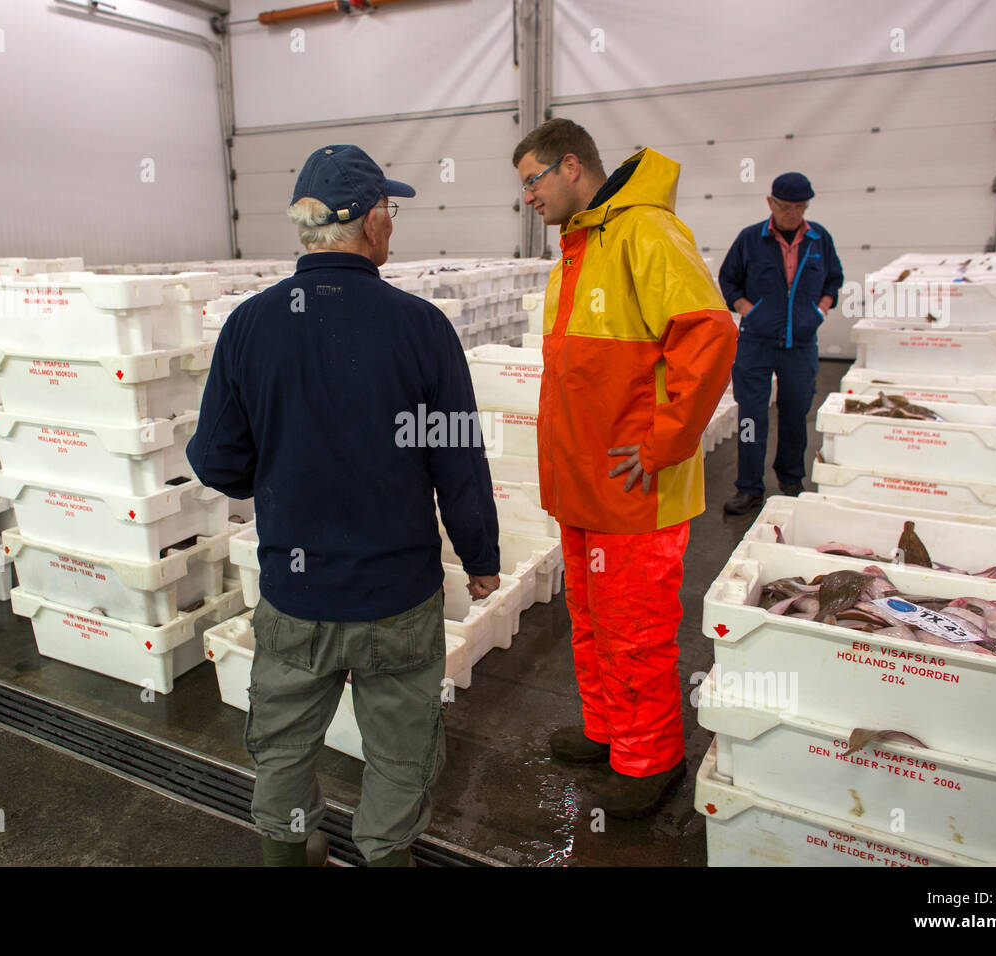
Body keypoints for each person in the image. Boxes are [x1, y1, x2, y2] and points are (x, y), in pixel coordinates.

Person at [187, 144, 501, 867]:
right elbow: (458, 462)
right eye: (390, 208)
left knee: (285, 747)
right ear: (365, 220)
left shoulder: (251, 325)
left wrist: (286, 472)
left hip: (297, 596)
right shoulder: (421, 328)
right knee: (399, 754)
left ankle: (288, 853)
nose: (394, 222)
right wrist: (480, 559)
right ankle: (386, 856)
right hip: (399, 599)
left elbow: (217, 461)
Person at [512, 119, 737, 819]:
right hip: (584, 487)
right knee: (592, 617)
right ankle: (609, 728)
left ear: (571, 166)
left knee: (634, 627)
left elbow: (709, 333)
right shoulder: (583, 248)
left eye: (532, 180)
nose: (527, 197)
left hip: (635, 488)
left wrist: (664, 443)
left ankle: (651, 759)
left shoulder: (644, 232)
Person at [718, 172, 844, 515]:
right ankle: (748, 488)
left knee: (795, 413)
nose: (793, 214)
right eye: (786, 207)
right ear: (770, 203)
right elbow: (728, 279)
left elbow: (834, 279)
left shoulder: (819, 240)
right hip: (756, 343)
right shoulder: (750, 240)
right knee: (751, 417)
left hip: (801, 345)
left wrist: (820, 311)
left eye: (800, 207)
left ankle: (790, 479)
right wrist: (748, 309)